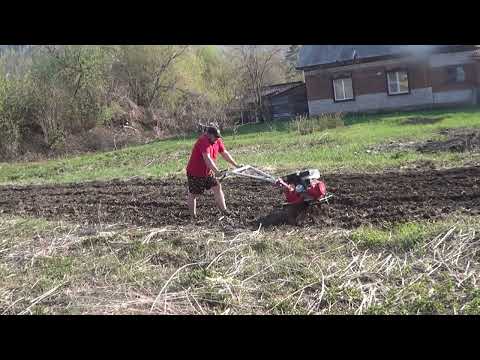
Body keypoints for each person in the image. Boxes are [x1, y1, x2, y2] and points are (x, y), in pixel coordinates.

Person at [186, 125, 241, 218]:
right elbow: (207, 159)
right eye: (215, 137)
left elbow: (224, 153)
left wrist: (236, 165)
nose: (217, 139)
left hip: (208, 172)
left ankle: (224, 211)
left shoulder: (217, 140)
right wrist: (216, 171)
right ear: (209, 135)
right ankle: (193, 216)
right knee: (194, 194)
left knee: (217, 187)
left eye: (218, 137)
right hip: (196, 172)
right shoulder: (203, 141)